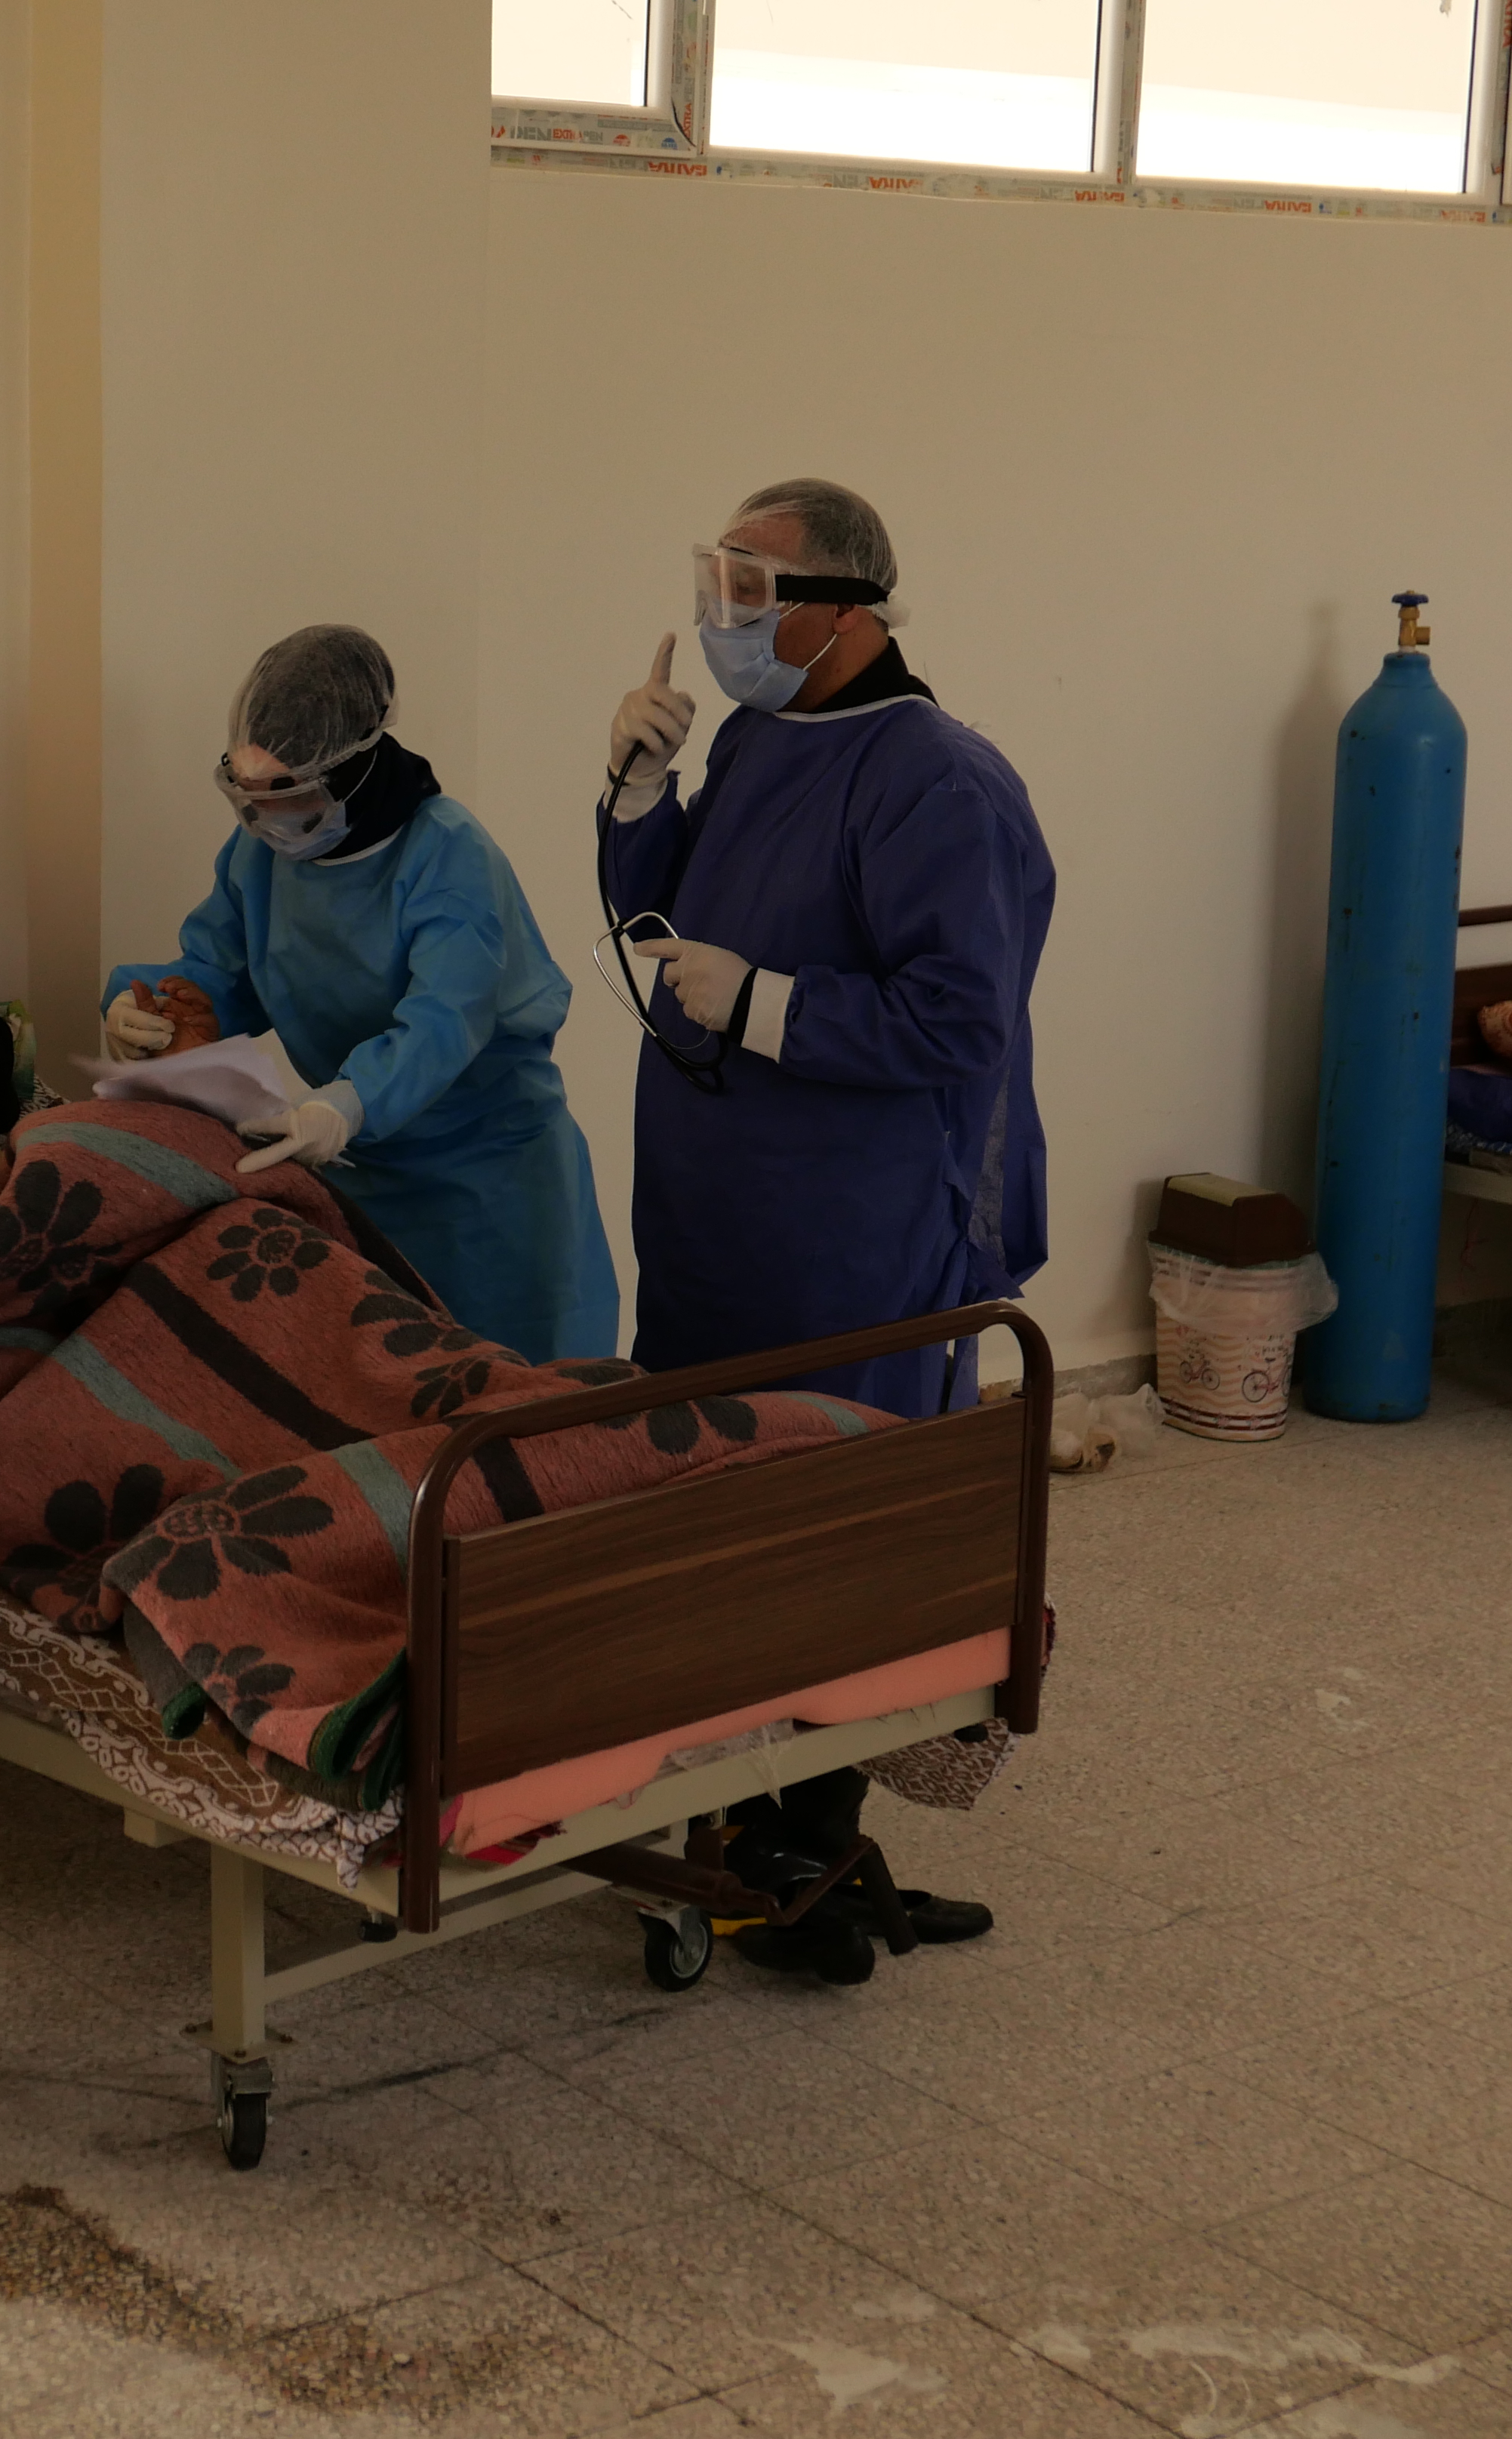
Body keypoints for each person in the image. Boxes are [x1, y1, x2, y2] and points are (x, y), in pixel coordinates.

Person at [596, 477, 1054, 1981]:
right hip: (718, 1210)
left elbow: (959, 1020)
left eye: (750, 588)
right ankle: (741, 1822)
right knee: (715, 1515)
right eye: (713, 577)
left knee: (838, 1536)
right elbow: (659, 930)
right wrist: (637, 797)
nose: (718, 615)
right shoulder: (757, 738)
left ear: (845, 613)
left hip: (854, 1230)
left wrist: (769, 1005)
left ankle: (806, 1838)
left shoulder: (938, 782)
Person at [104, 625, 617, 1363]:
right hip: (362, 1176)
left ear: (353, 770)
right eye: (249, 796)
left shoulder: (447, 853)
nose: (267, 819)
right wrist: (148, 1008)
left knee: (519, 1397)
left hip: (490, 1184)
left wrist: (350, 1103)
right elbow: (221, 970)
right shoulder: (259, 854)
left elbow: (447, 1017)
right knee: (378, 1384)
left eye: (289, 795)